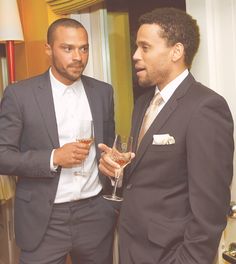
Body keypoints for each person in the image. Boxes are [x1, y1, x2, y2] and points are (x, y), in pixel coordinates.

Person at [98, 7, 234, 264]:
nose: (135, 55)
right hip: (131, 246)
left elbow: (211, 211)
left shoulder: (205, 107)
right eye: (136, 47)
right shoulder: (142, 103)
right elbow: (152, 175)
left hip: (170, 255)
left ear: (176, 51)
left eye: (145, 47)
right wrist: (118, 169)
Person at [0, 18, 118, 264]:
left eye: (84, 48)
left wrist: (112, 160)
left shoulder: (103, 92)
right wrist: (54, 157)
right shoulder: (20, 94)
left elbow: (106, 146)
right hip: (43, 219)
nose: (78, 57)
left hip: (94, 215)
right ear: (48, 49)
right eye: (68, 48)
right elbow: (3, 155)